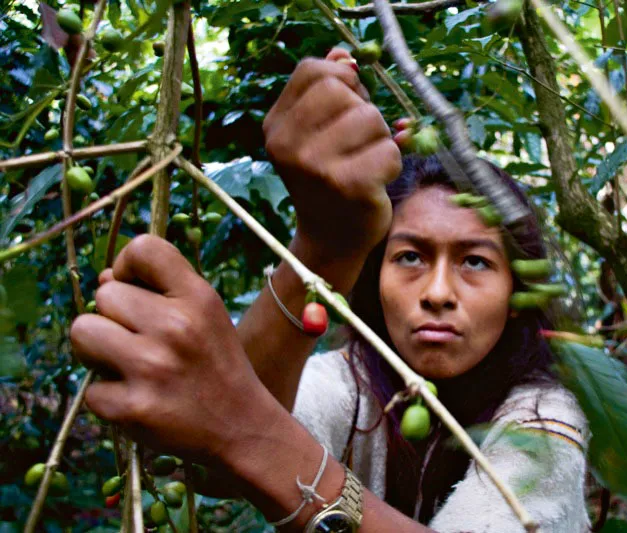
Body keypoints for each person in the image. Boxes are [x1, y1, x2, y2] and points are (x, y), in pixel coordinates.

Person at [70, 48, 590, 532]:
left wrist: (249, 432)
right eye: (409, 256)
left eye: (475, 262)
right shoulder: (351, 386)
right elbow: (215, 464)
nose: (437, 292)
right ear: (374, 274)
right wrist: (325, 245)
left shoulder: (545, 419)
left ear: (515, 289)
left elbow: (243, 428)